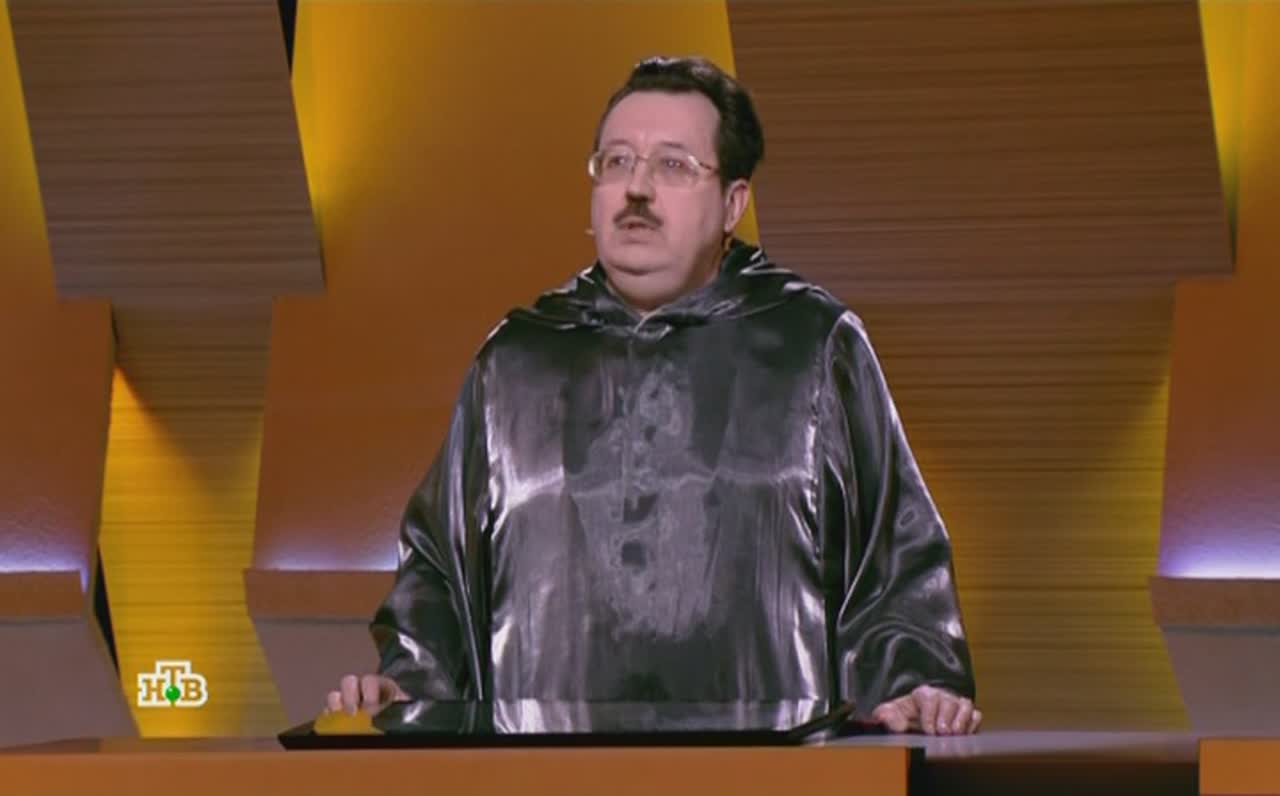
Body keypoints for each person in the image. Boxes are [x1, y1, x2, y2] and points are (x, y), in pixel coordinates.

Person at [326, 56, 981, 735]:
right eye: (616, 162)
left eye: (673, 166)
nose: (636, 189)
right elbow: (438, 573)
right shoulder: (517, 361)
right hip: (545, 774)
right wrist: (405, 687)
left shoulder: (814, 347)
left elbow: (895, 558)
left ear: (733, 204)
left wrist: (915, 686)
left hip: (773, 771)